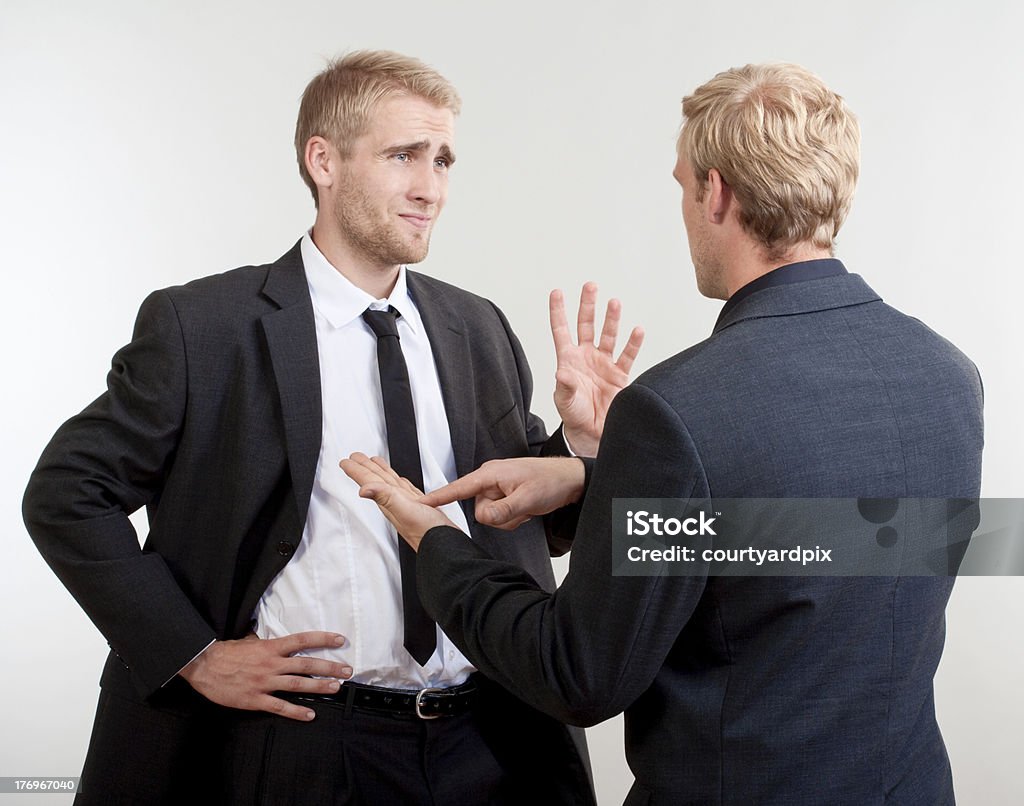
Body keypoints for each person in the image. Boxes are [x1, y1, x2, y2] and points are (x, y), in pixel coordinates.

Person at [342, 63, 985, 805]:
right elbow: (845, 543)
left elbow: (577, 674)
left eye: (683, 186)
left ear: (715, 193)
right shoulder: (949, 374)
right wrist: (597, 478)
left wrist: (434, 540)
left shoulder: (679, 409)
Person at [23, 50, 643, 805]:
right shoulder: (204, 327)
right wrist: (194, 654)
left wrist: (578, 446)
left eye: (443, 159)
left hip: (492, 742)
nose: (431, 187)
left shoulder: (476, 326)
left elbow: (515, 517)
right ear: (324, 160)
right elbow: (65, 494)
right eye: (404, 155)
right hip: (304, 747)